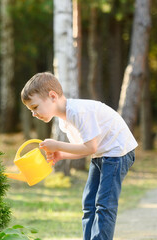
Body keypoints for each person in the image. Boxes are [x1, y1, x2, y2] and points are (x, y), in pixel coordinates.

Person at [21, 72, 138, 240]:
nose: (34, 114)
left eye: (35, 107)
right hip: (102, 154)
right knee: (89, 203)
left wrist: (57, 145)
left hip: (117, 152)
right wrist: (61, 155)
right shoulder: (64, 121)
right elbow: (82, 149)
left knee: (104, 205)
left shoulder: (77, 112)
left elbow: (90, 147)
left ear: (52, 96)